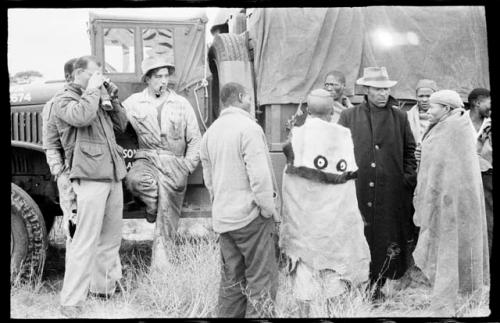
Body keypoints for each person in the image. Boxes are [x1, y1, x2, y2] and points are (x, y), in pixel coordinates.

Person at [280, 89, 370, 316]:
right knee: (335, 280)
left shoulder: (296, 138)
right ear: (332, 112)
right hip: (334, 229)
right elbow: (349, 188)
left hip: (303, 227)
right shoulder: (343, 138)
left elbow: (288, 184)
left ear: (308, 111)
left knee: (303, 282)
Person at [52, 55, 128, 317]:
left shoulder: (97, 95)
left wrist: (114, 100)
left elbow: (121, 126)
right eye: (96, 72)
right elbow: (81, 117)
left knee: (110, 239)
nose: (101, 76)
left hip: (111, 174)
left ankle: (102, 290)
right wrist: (95, 89)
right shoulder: (64, 99)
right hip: (89, 176)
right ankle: (71, 301)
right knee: (84, 241)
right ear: (79, 74)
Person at [200, 82, 280, 318]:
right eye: (248, 97)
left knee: (231, 283)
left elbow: (209, 180)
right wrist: (268, 210)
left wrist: (220, 206)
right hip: (251, 219)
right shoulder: (249, 128)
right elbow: (260, 177)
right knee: (261, 282)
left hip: (224, 219)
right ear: (242, 97)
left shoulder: (210, 132)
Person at [337, 67, 417, 301]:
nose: (383, 94)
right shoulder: (349, 116)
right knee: (360, 235)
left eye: (385, 89)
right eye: (377, 89)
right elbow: (340, 151)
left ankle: (378, 285)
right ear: (366, 90)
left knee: (385, 236)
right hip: (359, 189)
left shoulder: (399, 117)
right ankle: (357, 284)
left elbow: (410, 151)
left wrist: (406, 179)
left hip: (390, 191)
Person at [412, 90, 490, 316]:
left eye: (433, 106)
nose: (427, 109)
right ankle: (448, 300)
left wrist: (426, 154)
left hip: (452, 203)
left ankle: (445, 304)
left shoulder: (455, 128)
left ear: (446, 109)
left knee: (449, 249)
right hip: (445, 200)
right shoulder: (447, 126)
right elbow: (436, 159)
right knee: (445, 249)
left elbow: (452, 164)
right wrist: (423, 155)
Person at [122, 55, 201, 270]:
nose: (163, 81)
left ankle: (162, 269)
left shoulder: (181, 104)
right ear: (147, 78)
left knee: (167, 221)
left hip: (174, 162)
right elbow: (117, 125)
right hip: (146, 158)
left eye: (166, 76)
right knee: (134, 181)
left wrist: (187, 166)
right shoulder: (133, 103)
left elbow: (195, 140)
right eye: (158, 76)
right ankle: (152, 206)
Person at [42, 58, 78, 242]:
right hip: (70, 172)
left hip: (90, 171)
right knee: (74, 225)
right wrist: (60, 172)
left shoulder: (89, 100)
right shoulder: (54, 104)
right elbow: (51, 145)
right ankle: (75, 268)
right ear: (69, 77)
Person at [467, 88, 492, 256]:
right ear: (477, 103)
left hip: (487, 179)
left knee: (488, 222)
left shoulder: (489, 124)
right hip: (464, 178)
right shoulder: (460, 121)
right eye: (489, 103)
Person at [406, 79, 438, 167]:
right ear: (416, 97)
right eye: (421, 96)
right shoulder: (407, 117)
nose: (424, 99)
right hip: (412, 165)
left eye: (428, 96)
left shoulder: (442, 119)